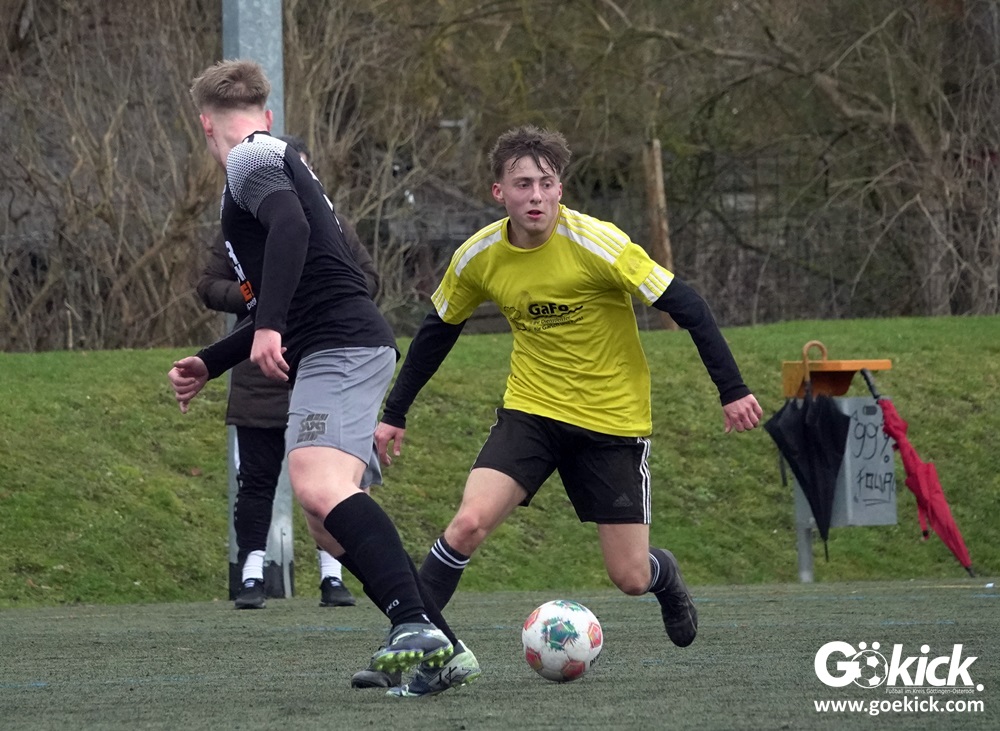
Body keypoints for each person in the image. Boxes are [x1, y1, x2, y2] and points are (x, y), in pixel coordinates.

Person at [355, 125, 763, 689]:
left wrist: (732, 389)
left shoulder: (598, 244)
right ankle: (412, 648)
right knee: (467, 524)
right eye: (523, 184)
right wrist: (395, 412)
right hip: (532, 414)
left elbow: (688, 305)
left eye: (546, 183)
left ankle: (663, 574)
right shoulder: (479, 256)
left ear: (560, 189)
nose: (536, 196)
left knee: (629, 576)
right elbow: (437, 330)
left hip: (611, 423)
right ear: (499, 192)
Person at [169, 59, 478, 697]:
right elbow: (289, 281)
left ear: (204, 124)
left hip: (342, 344)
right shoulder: (275, 159)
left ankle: (414, 627)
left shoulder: (249, 159)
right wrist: (213, 360)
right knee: (325, 519)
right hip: (340, 343)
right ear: (267, 112)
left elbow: (292, 230)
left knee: (316, 484)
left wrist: (268, 327)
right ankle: (441, 647)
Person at [196, 134, 378, 610]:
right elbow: (210, 284)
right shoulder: (240, 221)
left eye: (299, 172)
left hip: (324, 360)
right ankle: (252, 572)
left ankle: (336, 577)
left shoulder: (330, 225)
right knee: (259, 479)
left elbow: (365, 279)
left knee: (329, 485)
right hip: (261, 370)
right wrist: (260, 300)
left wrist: (308, 291)